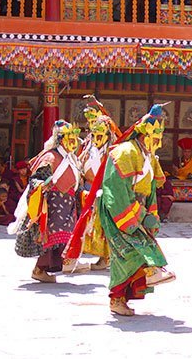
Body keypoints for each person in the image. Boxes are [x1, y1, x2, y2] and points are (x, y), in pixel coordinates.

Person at [95, 105, 174, 316]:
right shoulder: (125, 152)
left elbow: (150, 190)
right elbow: (116, 189)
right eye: (154, 137)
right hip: (118, 208)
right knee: (127, 253)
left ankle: (142, 280)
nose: (158, 142)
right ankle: (117, 298)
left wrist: (152, 214)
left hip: (138, 209)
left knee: (139, 248)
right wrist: (138, 215)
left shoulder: (149, 157)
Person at [11, 120, 84, 284]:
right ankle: (39, 269)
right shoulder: (50, 157)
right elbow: (35, 180)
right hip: (52, 204)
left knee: (63, 236)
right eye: (69, 138)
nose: (73, 142)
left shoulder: (71, 158)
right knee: (50, 237)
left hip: (68, 203)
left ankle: (53, 266)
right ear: (60, 139)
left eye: (74, 138)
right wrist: (42, 185)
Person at [76, 105, 120, 271]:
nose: (95, 137)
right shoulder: (88, 145)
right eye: (93, 134)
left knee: (103, 226)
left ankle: (105, 257)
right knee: (88, 225)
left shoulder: (112, 151)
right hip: (87, 189)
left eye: (99, 134)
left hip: (103, 190)